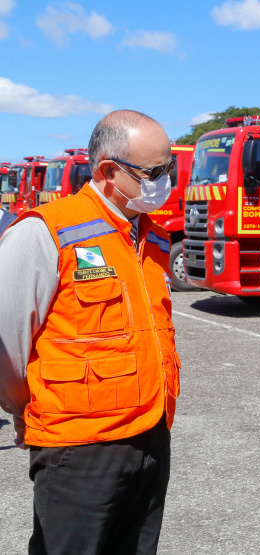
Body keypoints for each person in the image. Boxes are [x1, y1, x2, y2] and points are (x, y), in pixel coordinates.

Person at [0, 109, 180, 554]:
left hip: (151, 436)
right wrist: (25, 410)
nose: (166, 182)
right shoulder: (48, 231)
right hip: (78, 447)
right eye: (155, 172)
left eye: (170, 169)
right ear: (108, 171)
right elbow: (7, 341)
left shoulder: (152, 239)